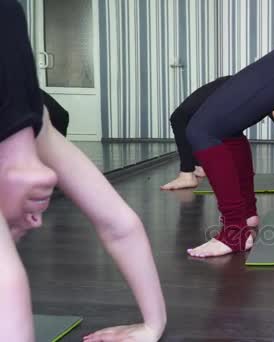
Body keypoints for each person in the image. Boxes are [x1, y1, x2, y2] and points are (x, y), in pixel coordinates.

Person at [0, 1, 166, 340]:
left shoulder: (38, 121)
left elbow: (121, 225)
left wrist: (153, 325)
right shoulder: (37, 124)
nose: (34, 223)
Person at [184, 40, 274, 258]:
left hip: (226, 91)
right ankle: (248, 214)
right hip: (231, 88)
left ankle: (240, 223)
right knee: (225, 131)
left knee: (195, 126)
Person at [161, 76, 274, 190]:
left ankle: (187, 174)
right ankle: (197, 166)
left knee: (179, 117)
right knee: (191, 120)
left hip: (228, 88)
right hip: (231, 85)